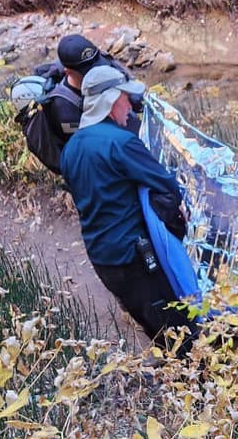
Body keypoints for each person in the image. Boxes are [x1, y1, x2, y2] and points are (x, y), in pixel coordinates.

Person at [62, 65, 195, 349]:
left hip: (102, 259)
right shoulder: (121, 143)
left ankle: (176, 374)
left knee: (152, 325)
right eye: (125, 98)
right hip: (135, 259)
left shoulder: (71, 148)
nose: (130, 106)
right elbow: (167, 185)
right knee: (181, 330)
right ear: (110, 102)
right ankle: (199, 381)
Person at [48, 34, 139, 147]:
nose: (98, 72)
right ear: (68, 71)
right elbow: (89, 145)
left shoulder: (104, 67)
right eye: (88, 71)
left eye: (98, 65)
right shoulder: (65, 108)